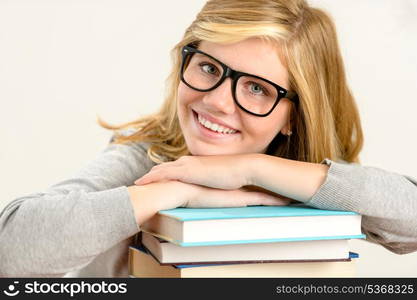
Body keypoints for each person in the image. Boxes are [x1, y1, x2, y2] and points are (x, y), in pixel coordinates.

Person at [0, 0, 416, 278]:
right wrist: (175, 190)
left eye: (257, 88)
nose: (217, 101)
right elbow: (10, 250)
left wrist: (254, 169)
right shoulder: (147, 157)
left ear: (294, 116)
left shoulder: (318, 185)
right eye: (209, 68)